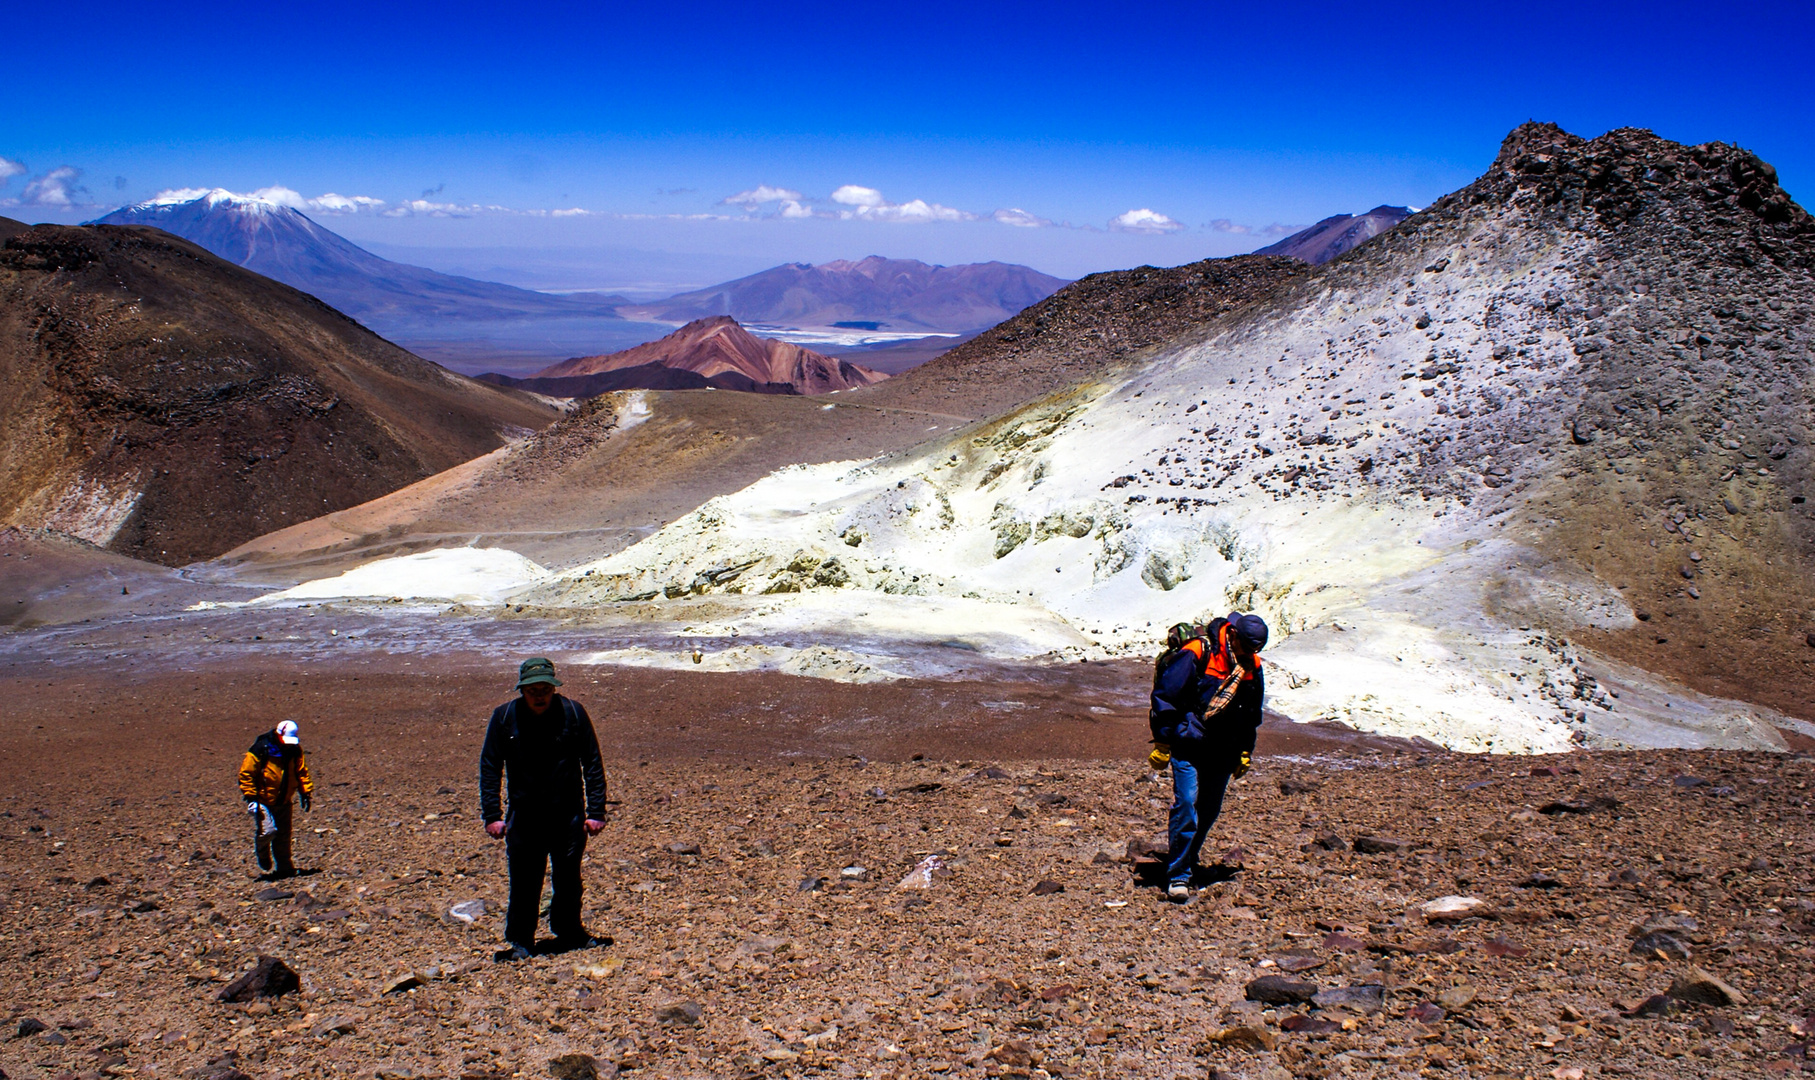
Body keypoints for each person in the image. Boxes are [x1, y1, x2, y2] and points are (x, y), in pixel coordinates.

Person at [479, 657, 609, 961]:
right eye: (533, 690)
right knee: (524, 881)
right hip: (524, 816)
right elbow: (490, 766)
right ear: (522, 690)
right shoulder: (504, 717)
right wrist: (492, 815)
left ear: (554, 689)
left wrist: (596, 811)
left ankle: (569, 932)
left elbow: (592, 762)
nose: (539, 696)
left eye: (545, 690)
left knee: (568, 880)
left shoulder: (573, 713)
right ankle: (521, 941)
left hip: (568, 814)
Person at [1147, 613, 1268, 901]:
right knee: (1187, 803)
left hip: (1223, 748)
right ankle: (1178, 875)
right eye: (1247, 647)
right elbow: (1166, 696)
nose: (1250, 654)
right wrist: (1163, 741)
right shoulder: (1199, 652)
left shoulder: (1252, 665)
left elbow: (1251, 713)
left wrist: (1245, 751)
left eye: (1256, 649)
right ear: (1234, 636)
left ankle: (1188, 859)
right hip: (1189, 740)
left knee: (1210, 808)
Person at [238, 719, 313, 878]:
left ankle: (285, 868)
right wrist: (251, 797)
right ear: (278, 735)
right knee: (268, 831)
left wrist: (305, 792)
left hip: (284, 800)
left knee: (284, 836)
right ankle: (262, 853)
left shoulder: (294, 750)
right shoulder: (261, 749)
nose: (288, 744)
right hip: (263, 800)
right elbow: (246, 773)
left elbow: (301, 772)